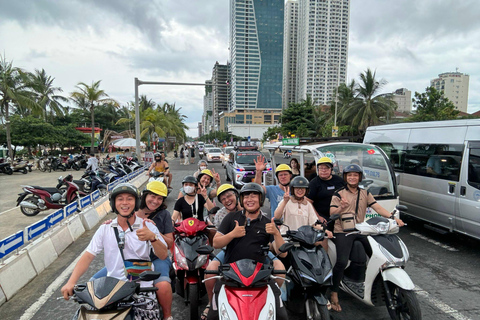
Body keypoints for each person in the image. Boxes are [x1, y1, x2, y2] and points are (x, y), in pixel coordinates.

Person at [60, 183, 168, 311]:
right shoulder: (105, 228)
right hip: (112, 290)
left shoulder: (148, 226)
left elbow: (163, 255)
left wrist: (153, 238)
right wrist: (71, 281)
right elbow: (88, 255)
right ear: (113, 203)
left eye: (129, 199)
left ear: (137, 203)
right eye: (120, 199)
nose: (125, 203)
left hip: (142, 290)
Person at [89, 181, 174, 320]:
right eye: (152, 196)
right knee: (93, 285)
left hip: (154, 259)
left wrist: (154, 234)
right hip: (127, 260)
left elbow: (168, 244)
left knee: (163, 284)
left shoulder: (163, 215)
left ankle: (167, 316)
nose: (155, 201)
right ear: (143, 197)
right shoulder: (131, 210)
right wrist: (111, 223)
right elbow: (120, 220)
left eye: (160, 198)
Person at [329, 164, 405, 312]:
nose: (352, 177)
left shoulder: (365, 193)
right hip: (343, 231)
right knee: (342, 262)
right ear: (345, 177)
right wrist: (341, 208)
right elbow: (332, 212)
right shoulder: (338, 194)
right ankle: (334, 293)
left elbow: (377, 207)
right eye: (349, 175)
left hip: (361, 229)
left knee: (380, 255)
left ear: (359, 177)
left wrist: (392, 217)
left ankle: (376, 283)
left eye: (355, 175)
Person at [208, 183, 288, 320]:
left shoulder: (267, 222)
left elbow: (282, 253)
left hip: (260, 274)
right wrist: (232, 234)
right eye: (246, 196)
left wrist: (276, 233)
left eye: (254, 196)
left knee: (281, 315)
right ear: (241, 200)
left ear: (261, 200)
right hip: (231, 272)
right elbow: (215, 243)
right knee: (213, 316)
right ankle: (209, 304)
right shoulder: (231, 218)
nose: (249, 199)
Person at [201, 184, 243, 319]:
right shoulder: (220, 215)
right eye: (223, 198)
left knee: (278, 268)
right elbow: (218, 241)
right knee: (210, 271)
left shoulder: (249, 209)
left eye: (229, 196)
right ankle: (211, 301)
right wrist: (233, 235)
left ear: (236, 196)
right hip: (228, 250)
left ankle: (275, 299)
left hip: (252, 249)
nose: (227, 200)